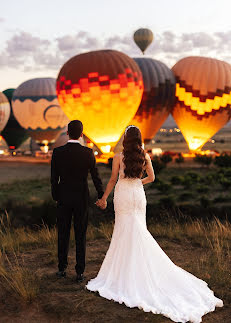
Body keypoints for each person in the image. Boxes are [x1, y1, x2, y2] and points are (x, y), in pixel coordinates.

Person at [86, 125, 223, 323]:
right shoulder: (145, 156)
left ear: (125, 139)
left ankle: (125, 271)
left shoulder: (118, 157)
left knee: (124, 231)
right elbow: (152, 177)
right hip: (137, 195)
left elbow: (113, 180)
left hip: (124, 194)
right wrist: (136, 183)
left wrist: (104, 198)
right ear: (139, 139)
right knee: (139, 230)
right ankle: (140, 268)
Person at [51, 120, 104, 283]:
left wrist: (56, 196)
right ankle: (80, 272)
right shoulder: (88, 153)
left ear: (67, 133)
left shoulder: (57, 152)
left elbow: (54, 179)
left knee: (63, 233)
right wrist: (101, 195)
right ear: (81, 134)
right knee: (80, 235)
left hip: (64, 198)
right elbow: (95, 177)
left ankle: (62, 268)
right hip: (81, 198)